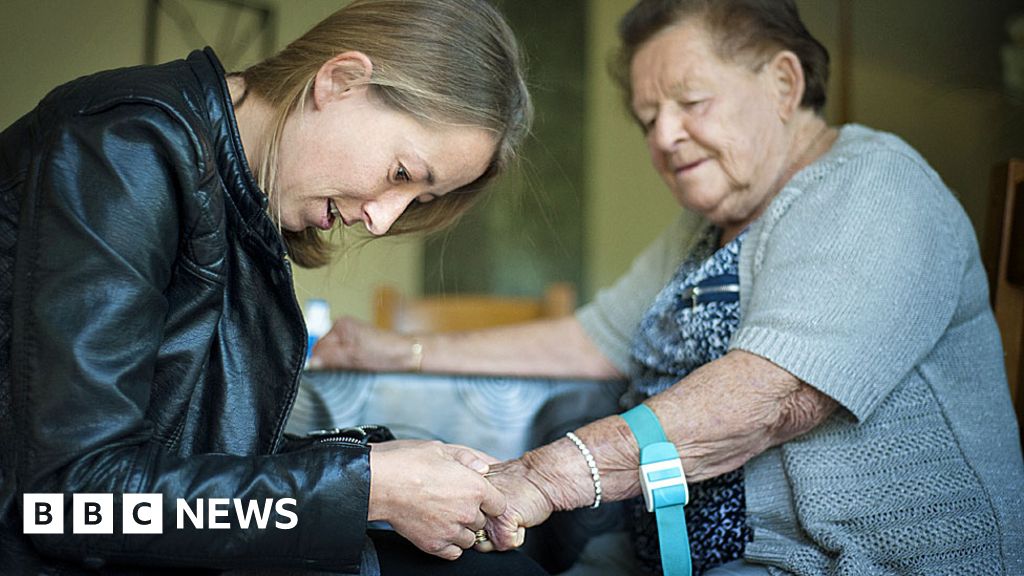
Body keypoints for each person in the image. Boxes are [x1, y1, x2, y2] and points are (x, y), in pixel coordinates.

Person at [310, 0, 1024, 574]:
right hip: (668, 555)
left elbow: (768, 397)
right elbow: (591, 341)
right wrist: (404, 351)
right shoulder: (707, 225)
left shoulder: (875, 187)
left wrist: (546, 477)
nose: (665, 136)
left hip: (839, 561)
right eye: (649, 119)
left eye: (691, 102)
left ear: (784, 83)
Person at [0, 0, 546, 574]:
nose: (382, 221)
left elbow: (183, 449)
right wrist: (369, 488)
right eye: (402, 174)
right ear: (341, 80)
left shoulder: (237, 197)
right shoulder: (128, 146)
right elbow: (70, 503)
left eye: (418, 199)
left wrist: (382, 467)